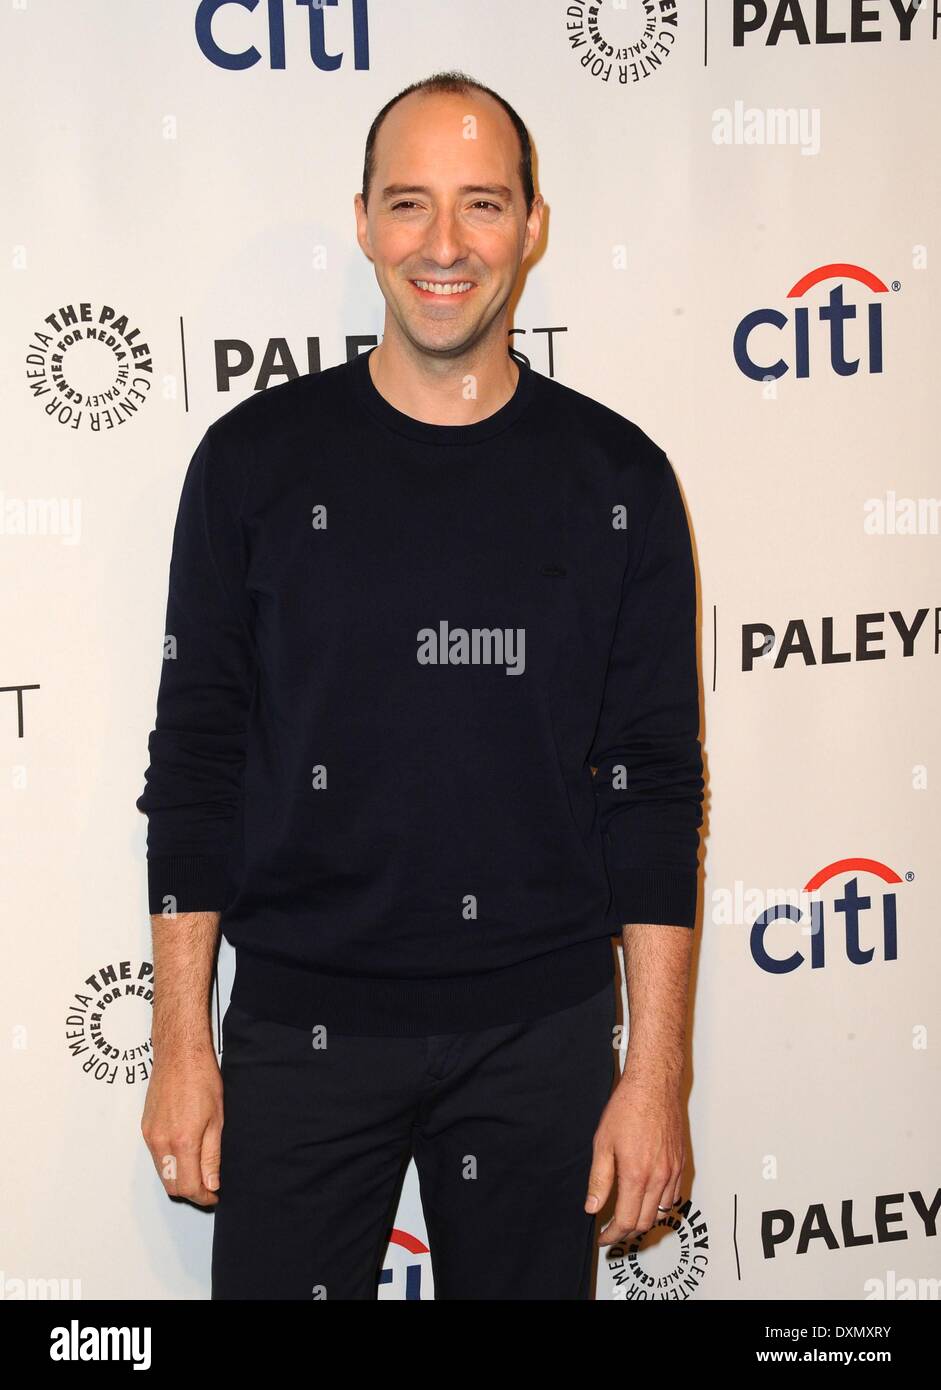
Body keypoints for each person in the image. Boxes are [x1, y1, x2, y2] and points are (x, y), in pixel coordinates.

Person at [136, 69, 705, 1301]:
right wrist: (179, 1039)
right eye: (409, 204)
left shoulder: (619, 481)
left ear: (532, 226)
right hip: (301, 1032)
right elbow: (194, 765)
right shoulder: (251, 467)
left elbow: (653, 791)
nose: (443, 245)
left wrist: (654, 1073)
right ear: (362, 222)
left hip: (541, 1038)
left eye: (482, 205)